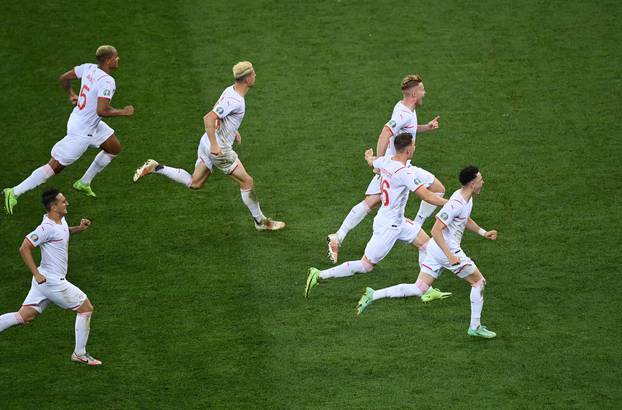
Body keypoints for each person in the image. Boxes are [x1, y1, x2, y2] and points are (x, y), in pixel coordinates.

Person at [132, 61, 285, 231]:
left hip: (206, 141)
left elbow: (218, 113)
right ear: (247, 78)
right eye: (254, 74)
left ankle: (156, 167)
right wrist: (215, 145)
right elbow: (208, 118)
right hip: (218, 149)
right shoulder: (236, 101)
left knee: (194, 183)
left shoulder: (230, 90)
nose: (256, 76)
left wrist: (233, 130)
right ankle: (260, 222)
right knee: (247, 181)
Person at [356, 166, 498, 339]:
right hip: (445, 250)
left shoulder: (465, 199)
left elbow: (464, 219)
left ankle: (373, 295)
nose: (483, 182)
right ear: (473, 184)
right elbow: (436, 230)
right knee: (478, 282)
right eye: (481, 180)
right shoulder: (455, 203)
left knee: (419, 289)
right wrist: (450, 256)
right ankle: (475, 326)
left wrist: (483, 233)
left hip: (435, 250)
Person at [305, 133, 449, 299]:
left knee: (425, 244)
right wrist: (449, 203)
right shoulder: (404, 173)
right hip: (389, 226)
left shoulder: (386, 161)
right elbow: (426, 195)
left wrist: (368, 156)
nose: (415, 147)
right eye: (414, 145)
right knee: (366, 265)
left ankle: (424, 289)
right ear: (408, 151)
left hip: (396, 221)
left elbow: (373, 162)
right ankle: (319, 275)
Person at [326, 74, 444, 263]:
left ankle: (337, 237)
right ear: (414, 93)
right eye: (422, 89)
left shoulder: (405, 108)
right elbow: (386, 132)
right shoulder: (403, 113)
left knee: (371, 203)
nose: (425, 92)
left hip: (397, 164)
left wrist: (426, 127)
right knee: (437, 189)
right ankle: (417, 224)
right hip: (395, 166)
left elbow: (407, 129)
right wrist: (379, 162)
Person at [3, 45, 134, 214]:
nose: (118, 59)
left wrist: (71, 94)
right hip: (82, 131)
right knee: (54, 167)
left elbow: (64, 78)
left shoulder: (88, 67)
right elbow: (102, 110)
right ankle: (13, 192)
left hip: (82, 120)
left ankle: (84, 182)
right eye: (116, 57)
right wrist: (123, 112)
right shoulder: (107, 81)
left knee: (114, 148)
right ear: (108, 60)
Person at [0, 189, 102, 364]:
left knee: (24, 316)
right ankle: (80, 354)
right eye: (63, 202)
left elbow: (62, 232)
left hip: (45, 281)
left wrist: (79, 228)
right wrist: (37, 274)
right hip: (51, 281)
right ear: (54, 207)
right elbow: (24, 248)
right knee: (86, 308)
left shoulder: (59, 221)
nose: (67, 203)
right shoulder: (45, 228)